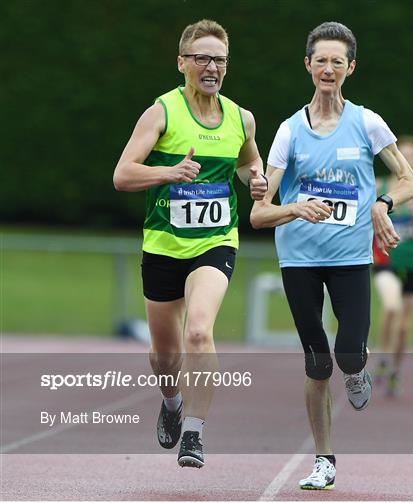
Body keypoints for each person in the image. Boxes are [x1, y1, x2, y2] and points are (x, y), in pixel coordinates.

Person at [250, 22, 413, 490]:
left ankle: (358, 367)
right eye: (320, 60)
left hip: (349, 257)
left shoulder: (366, 122)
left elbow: (409, 180)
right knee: (317, 363)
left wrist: (383, 204)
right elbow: (259, 215)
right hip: (299, 259)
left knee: (346, 354)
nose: (328, 69)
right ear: (308, 66)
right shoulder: (288, 131)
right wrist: (294, 207)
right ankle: (325, 459)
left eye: (337, 62)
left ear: (350, 68)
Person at [113, 19, 267, 469]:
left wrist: (255, 181)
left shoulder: (242, 118)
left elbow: (249, 162)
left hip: (215, 243)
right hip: (164, 245)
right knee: (165, 356)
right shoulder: (162, 112)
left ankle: (195, 435)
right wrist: (168, 172)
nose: (211, 66)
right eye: (202, 57)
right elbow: (123, 175)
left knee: (199, 330)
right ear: (182, 63)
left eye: (219, 59)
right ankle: (172, 400)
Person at [372, 135, 413, 396]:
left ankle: (394, 370)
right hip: (386, 260)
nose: (407, 159)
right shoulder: (379, 184)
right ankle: (382, 355)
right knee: (391, 305)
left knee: (404, 326)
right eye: (403, 154)